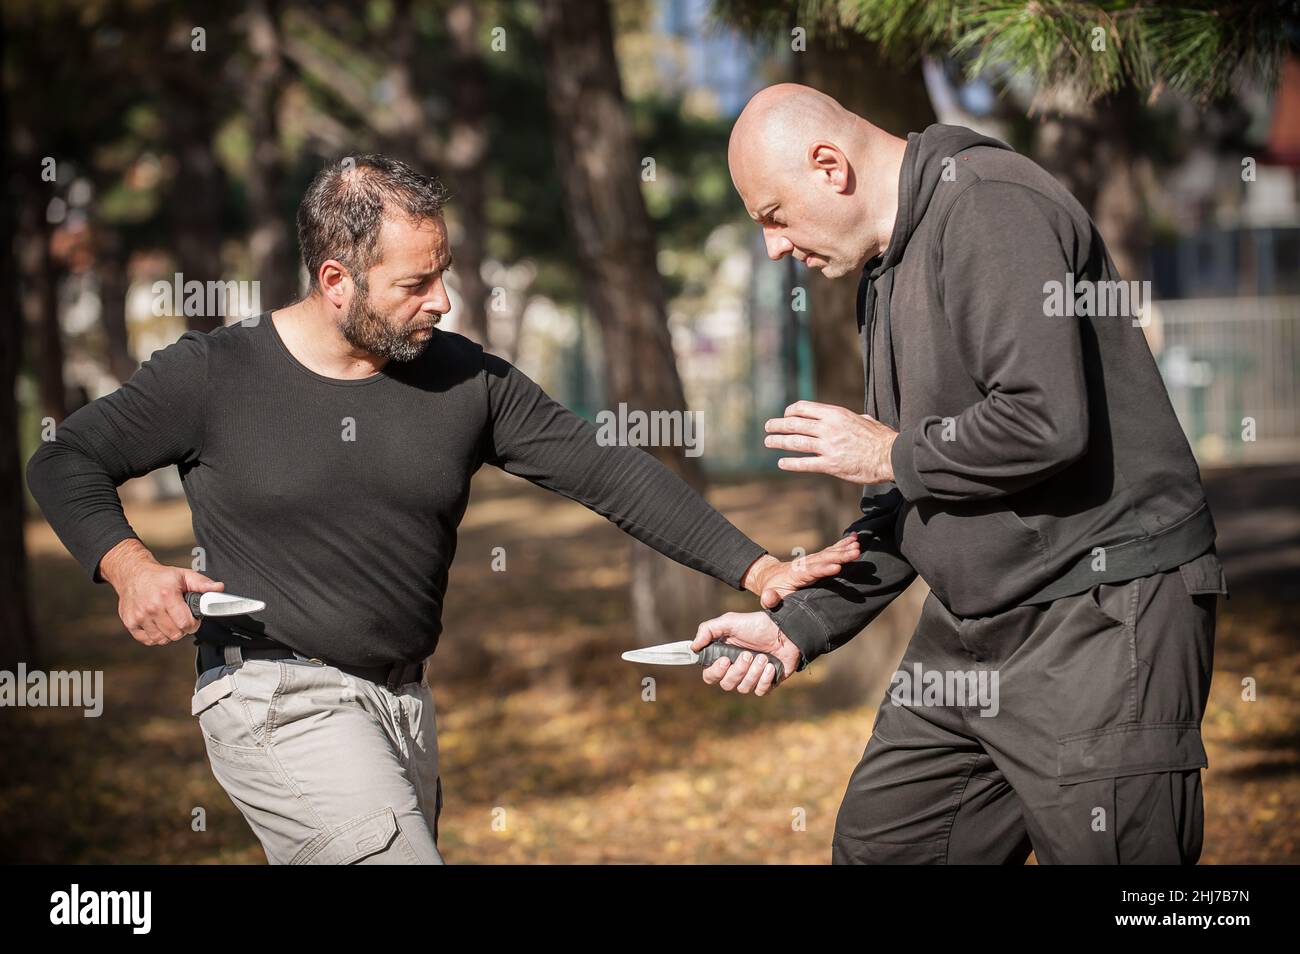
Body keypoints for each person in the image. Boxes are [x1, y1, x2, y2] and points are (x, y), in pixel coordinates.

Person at [25, 154, 857, 865]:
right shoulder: (213, 375)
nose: (443, 301)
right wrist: (128, 567)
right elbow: (67, 460)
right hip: (276, 697)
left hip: (404, 709)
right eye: (416, 284)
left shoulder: (464, 379)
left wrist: (759, 567)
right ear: (335, 281)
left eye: (442, 274)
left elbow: (606, 473)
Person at [692, 84, 1226, 865]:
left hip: (1100, 618)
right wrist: (794, 627)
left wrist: (887, 452)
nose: (775, 247)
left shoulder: (989, 206)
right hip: (969, 633)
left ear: (830, 166)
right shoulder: (883, 274)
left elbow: (1045, 423)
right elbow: (913, 487)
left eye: (774, 216)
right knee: (885, 849)